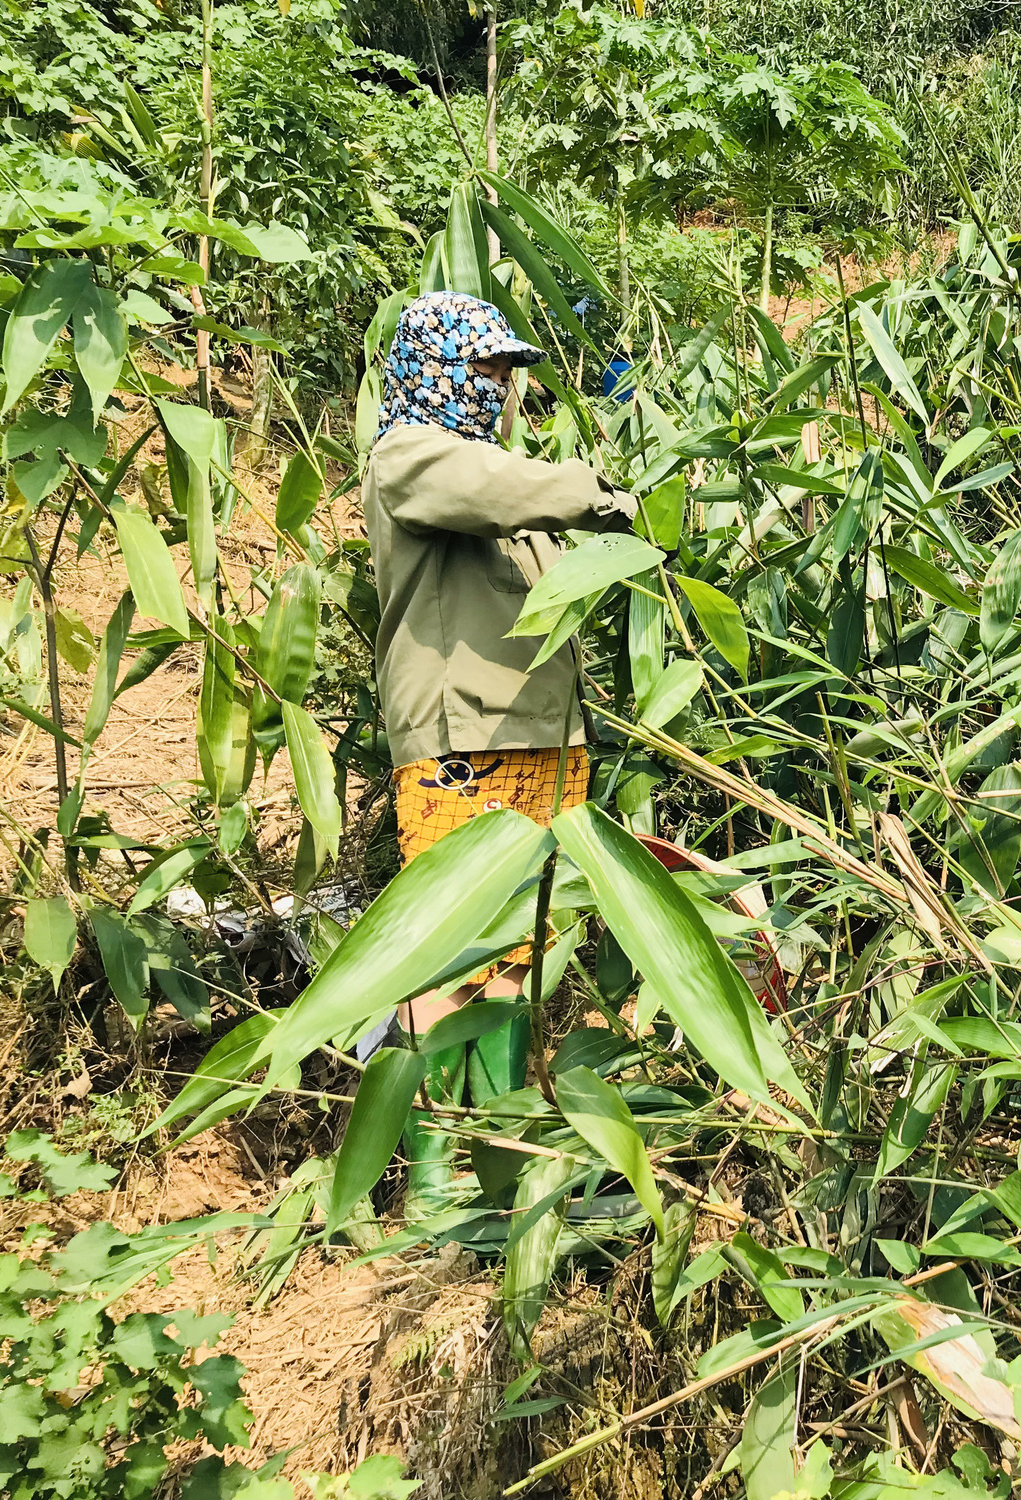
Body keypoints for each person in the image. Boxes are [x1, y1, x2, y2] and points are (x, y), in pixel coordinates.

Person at [363, 290, 636, 1210]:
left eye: (510, 371)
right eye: (485, 368)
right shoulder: (411, 461)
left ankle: (500, 1164)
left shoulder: (500, 481)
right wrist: (610, 495)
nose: (502, 387)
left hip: (542, 746)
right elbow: (506, 488)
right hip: (462, 748)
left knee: (520, 956)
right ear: (436, 368)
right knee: (448, 957)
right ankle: (435, 1184)